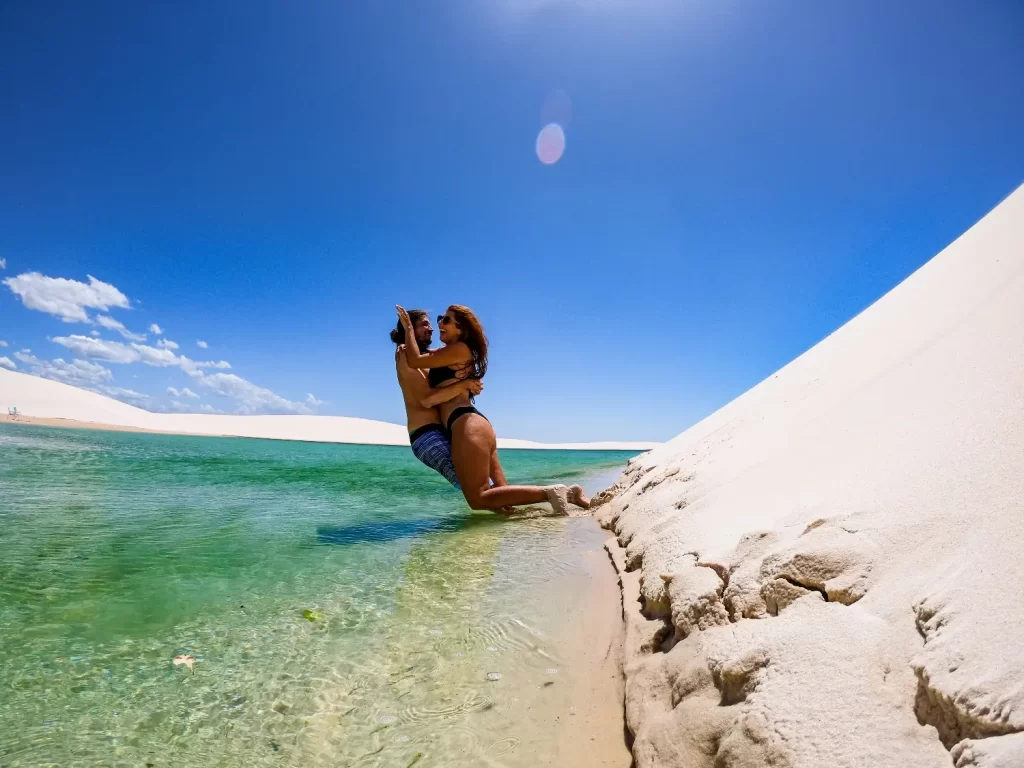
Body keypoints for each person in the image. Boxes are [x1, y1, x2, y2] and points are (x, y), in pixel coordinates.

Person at [396, 303, 591, 514]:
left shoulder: (456, 351)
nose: (437, 325)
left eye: (445, 320)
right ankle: (570, 497)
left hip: (464, 422)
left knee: (479, 498)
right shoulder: (437, 354)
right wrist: (464, 384)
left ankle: (551, 492)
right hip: (470, 423)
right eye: (433, 321)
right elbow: (420, 362)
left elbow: (426, 395)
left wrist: (408, 330)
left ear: (461, 329)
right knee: (501, 496)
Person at [392, 309, 483, 489]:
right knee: (471, 486)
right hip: (426, 435)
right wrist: (463, 385)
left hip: (444, 430)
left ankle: (519, 514)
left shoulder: (430, 359)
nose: (431, 328)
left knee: (481, 482)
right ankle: (531, 507)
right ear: (409, 329)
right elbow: (427, 399)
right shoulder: (405, 356)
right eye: (424, 324)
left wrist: (469, 383)